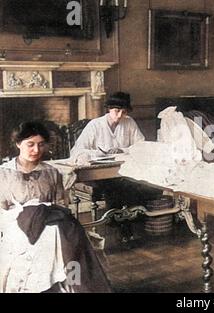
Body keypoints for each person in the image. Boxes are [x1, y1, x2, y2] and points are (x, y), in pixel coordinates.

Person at [0, 121, 111, 292]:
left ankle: (72, 286)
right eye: (30, 145)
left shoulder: (52, 172)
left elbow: (61, 205)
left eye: (41, 145)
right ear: (18, 144)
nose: (36, 150)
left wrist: (45, 214)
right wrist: (26, 215)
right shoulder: (4, 173)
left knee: (70, 237)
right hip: (17, 227)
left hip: (51, 223)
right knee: (44, 241)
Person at [70, 91, 145, 162]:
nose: (119, 115)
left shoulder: (129, 122)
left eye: (124, 112)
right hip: (100, 167)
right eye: (117, 111)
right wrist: (99, 153)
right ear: (109, 108)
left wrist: (122, 150)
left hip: (123, 165)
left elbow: (141, 145)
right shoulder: (95, 125)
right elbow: (76, 150)